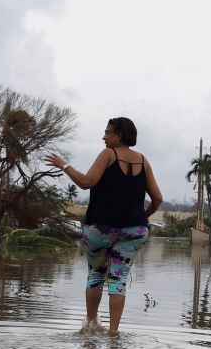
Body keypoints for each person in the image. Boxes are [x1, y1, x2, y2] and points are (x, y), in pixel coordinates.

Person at [46, 117, 163, 335]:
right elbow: (157, 198)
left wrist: (64, 165)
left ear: (118, 136)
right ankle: (113, 333)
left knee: (96, 275)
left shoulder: (109, 153)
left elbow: (86, 182)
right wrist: (141, 217)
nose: (104, 137)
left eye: (107, 133)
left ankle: (91, 324)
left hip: (101, 231)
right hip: (133, 232)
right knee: (118, 279)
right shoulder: (144, 161)